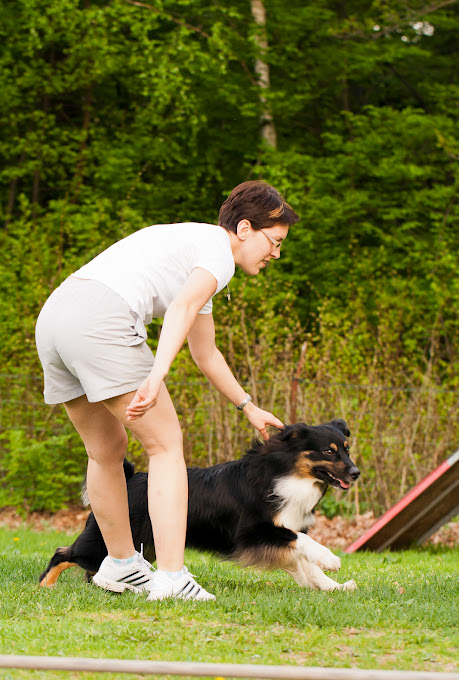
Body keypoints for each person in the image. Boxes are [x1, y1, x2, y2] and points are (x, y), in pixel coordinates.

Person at [35, 180, 300, 601]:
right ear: (246, 228)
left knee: (105, 449)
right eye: (276, 241)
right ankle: (172, 576)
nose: (276, 253)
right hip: (101, 319)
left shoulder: (192, 250)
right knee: (166, 445)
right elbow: (178, 310)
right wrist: (156, 374)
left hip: (56, 318)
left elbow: (206, 352)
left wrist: (248, 406)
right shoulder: (217, 251)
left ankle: (121, 564)